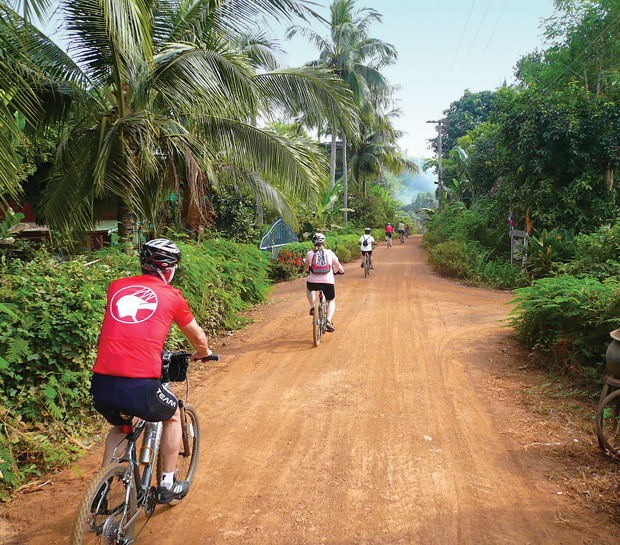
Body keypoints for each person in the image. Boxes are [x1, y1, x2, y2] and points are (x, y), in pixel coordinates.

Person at [90, 238, 212, 504]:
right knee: (172, 417)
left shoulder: (117, 287)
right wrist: (203, 353)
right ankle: (167, 484)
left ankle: (100, 493)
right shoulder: (172, 296)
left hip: (101, 385)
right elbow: (198, 338)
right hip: (141, 385)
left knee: (122, 427)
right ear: (169, 269)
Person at [304, 233, 344, 332]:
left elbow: (306, 267)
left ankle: (313, 306)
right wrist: (341, 271)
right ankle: (328, 321)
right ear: (324, 243)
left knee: (309, 288)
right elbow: (338, 265)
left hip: (313, 282)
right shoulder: (329, 253)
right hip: (328, 282)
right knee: (331, 301)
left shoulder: (309, 254)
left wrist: (307, 271)